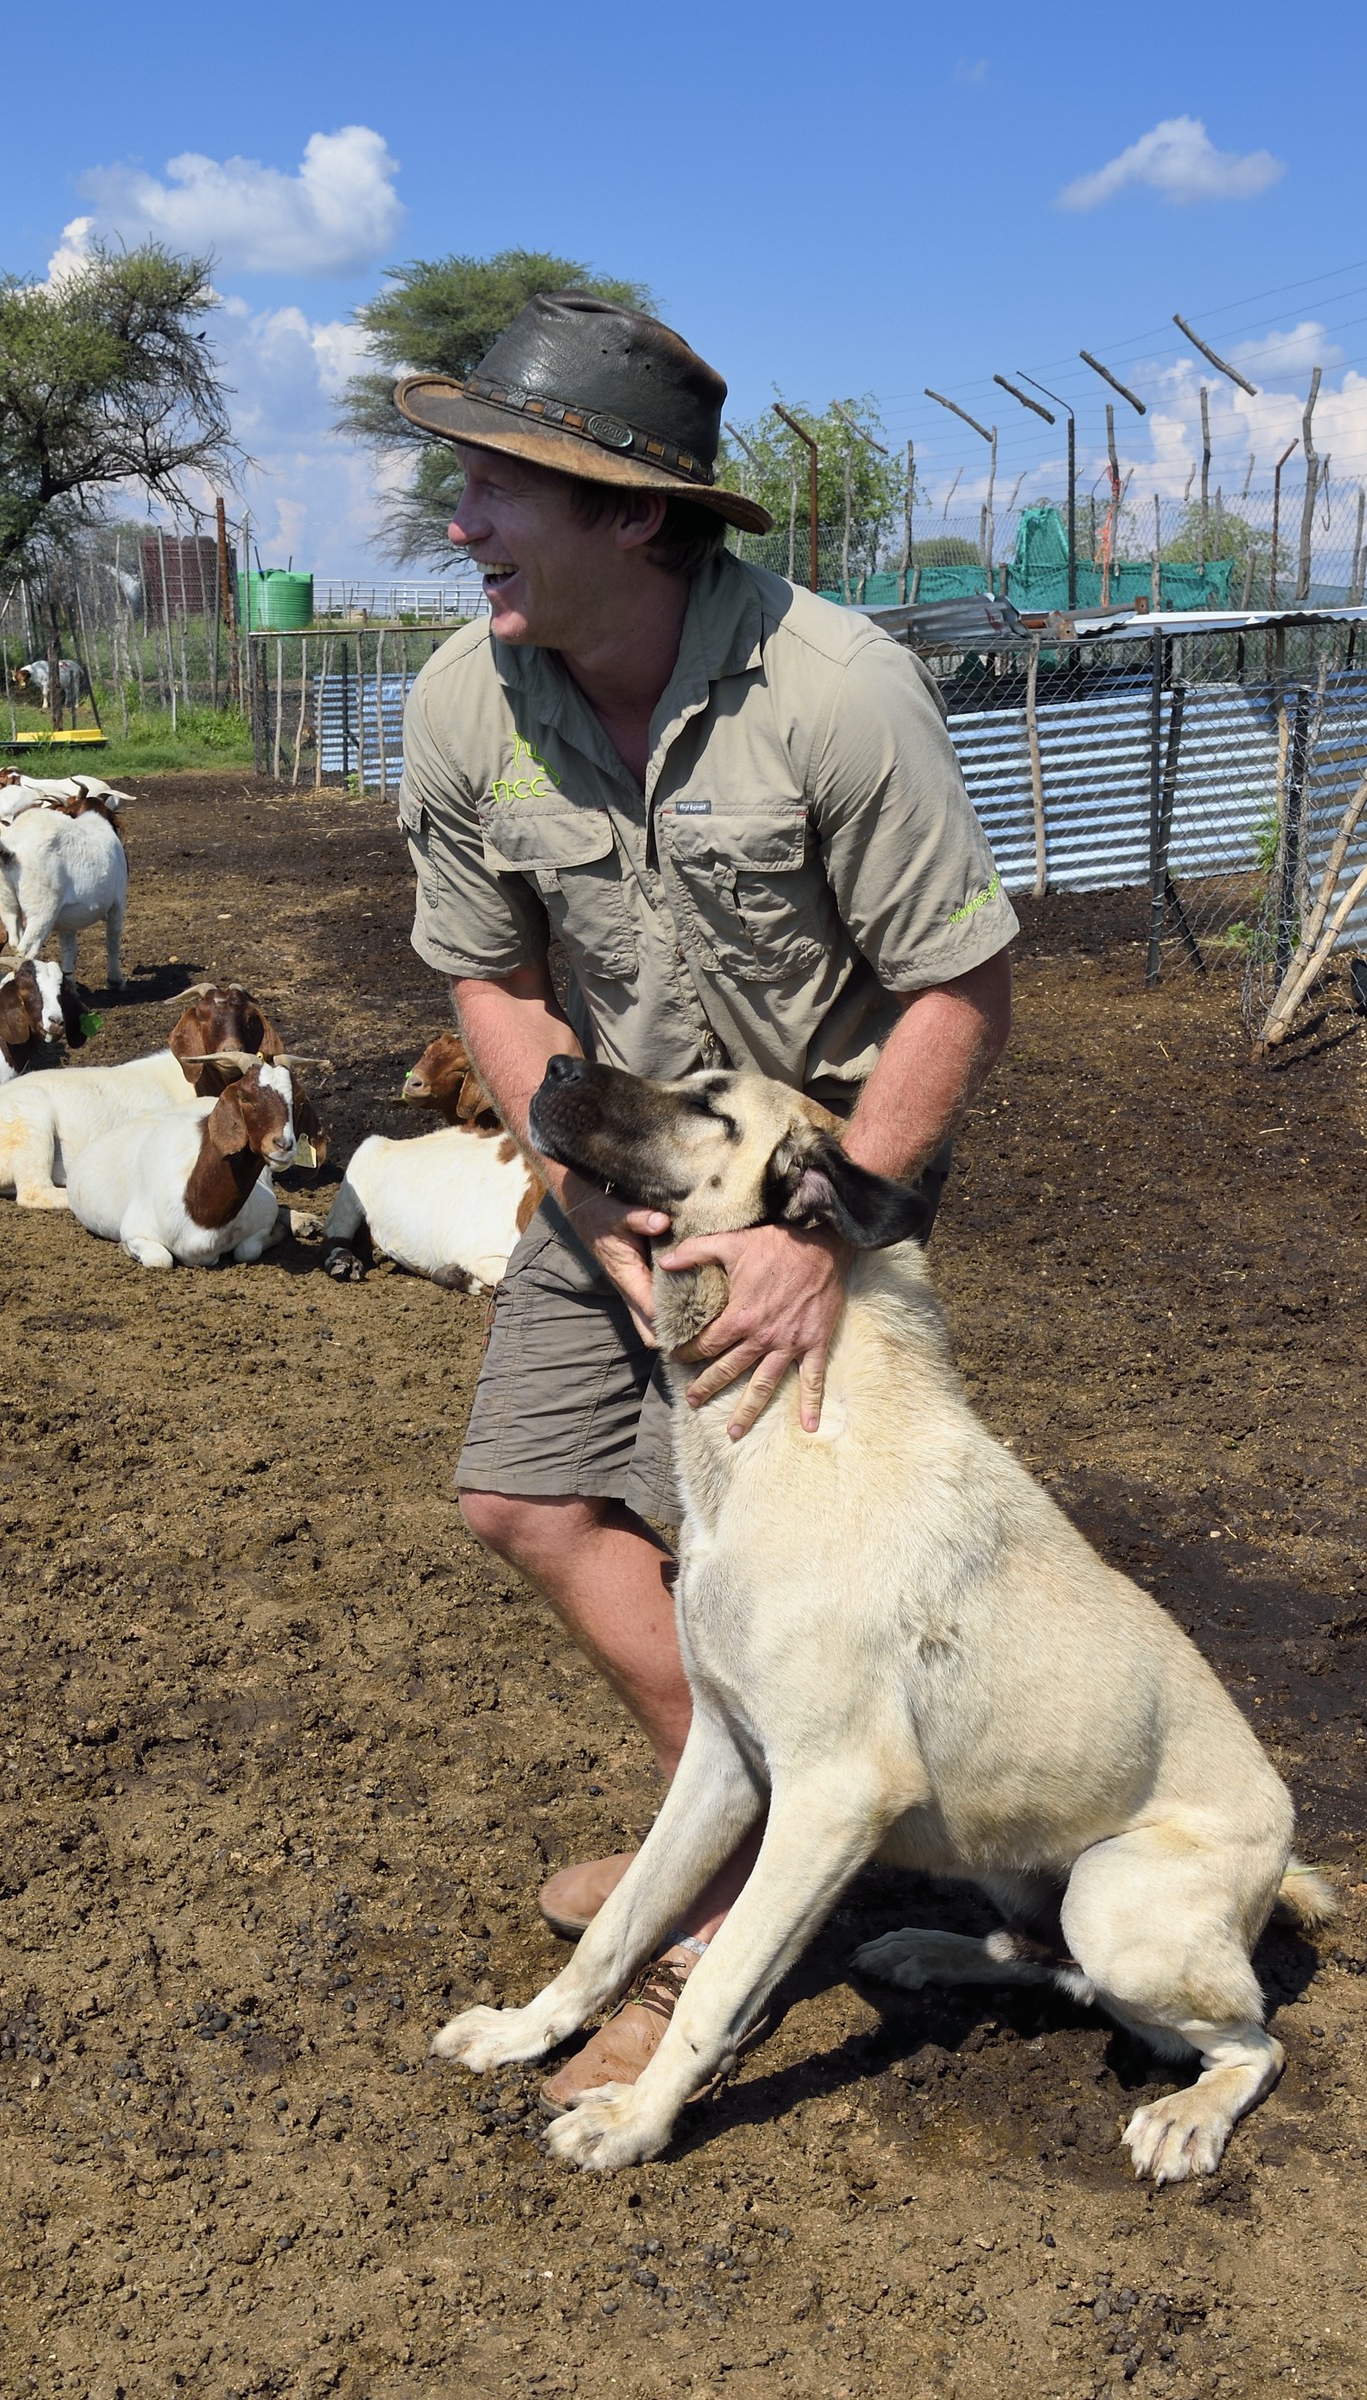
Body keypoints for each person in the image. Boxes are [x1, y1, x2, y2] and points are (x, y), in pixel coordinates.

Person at [392, 293, 1017, 2110]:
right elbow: (492, 983)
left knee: (774, 1573)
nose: (462, 524)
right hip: (614, 1159)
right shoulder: (461, 702)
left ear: (634, 519)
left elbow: (957, 991)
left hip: (819, 1180)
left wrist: (821, 1241)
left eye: (502, 487)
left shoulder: (834, 693)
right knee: (522, 1498)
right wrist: (577, 1200)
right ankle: (748, 1836)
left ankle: (720, 1914)